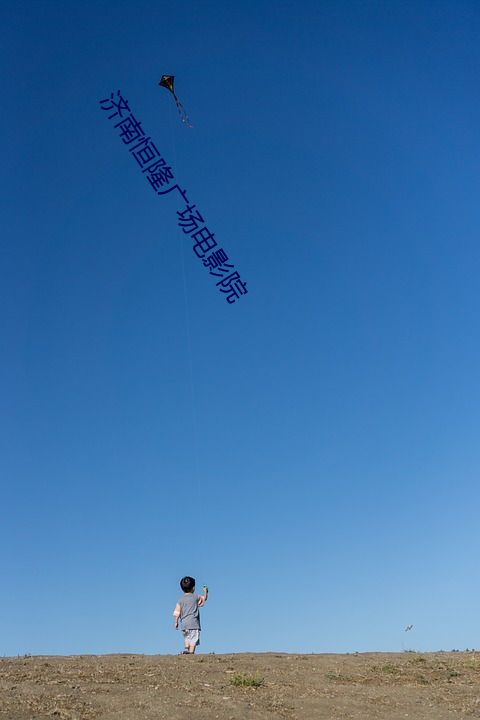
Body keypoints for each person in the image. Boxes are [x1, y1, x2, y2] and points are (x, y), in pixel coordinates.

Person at [173, 576, 208, 654]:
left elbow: (177, 611)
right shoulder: (196, 597)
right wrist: (205, 591)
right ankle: (191, 653)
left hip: (184, 624)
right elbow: (204, 599)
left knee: (187, 637)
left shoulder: (180, 600)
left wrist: (176, 622)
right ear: (193, 588)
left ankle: (186, 649)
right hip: (193, 623)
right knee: (193, 639)